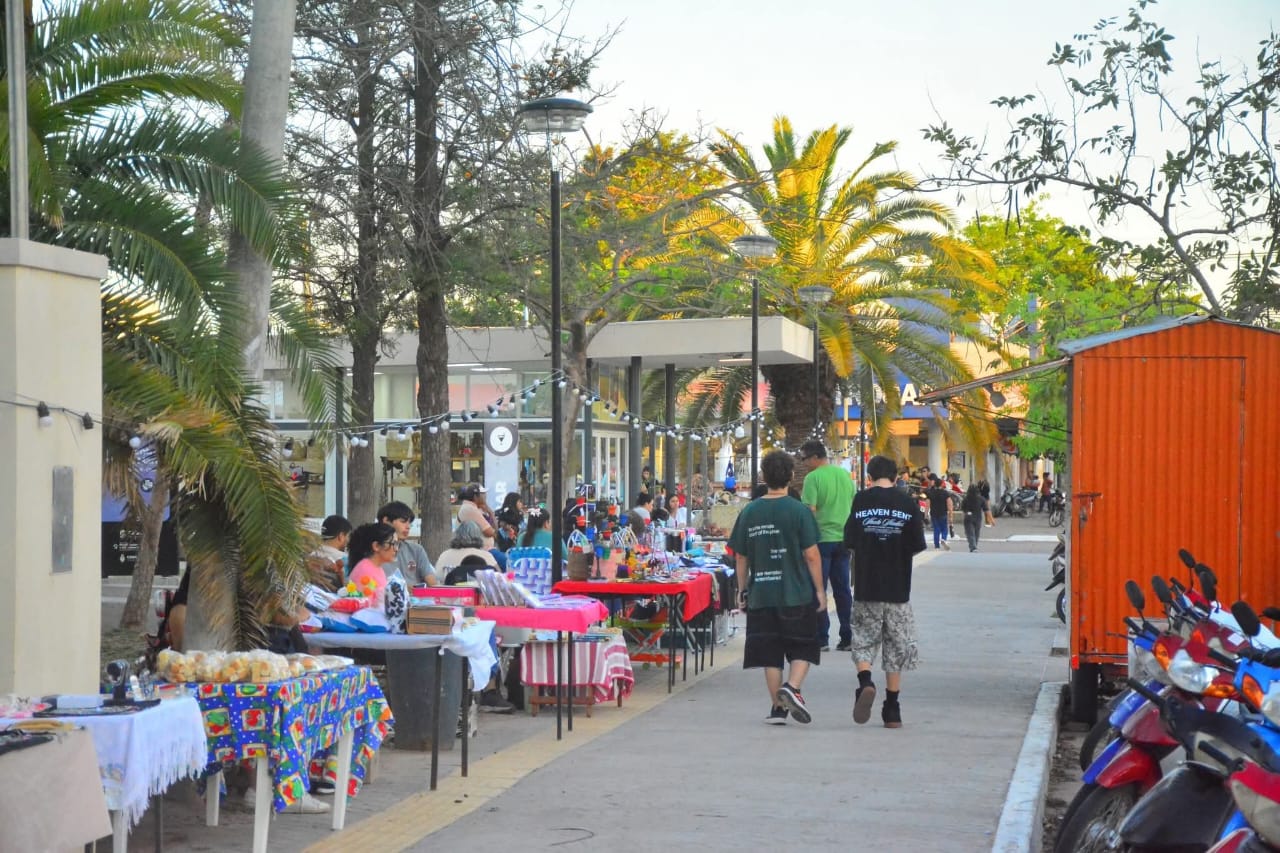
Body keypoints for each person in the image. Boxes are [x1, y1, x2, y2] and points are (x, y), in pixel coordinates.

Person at [728, 449, 824, 726]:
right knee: (803, 646)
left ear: (764, 476)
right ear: (791, 476)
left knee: (770, 654)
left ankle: (778, 710)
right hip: (796, 592)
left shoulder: (749, 511)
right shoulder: (799, 511)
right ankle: (792, 687)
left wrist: (742, 590)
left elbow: (741, 557)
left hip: (762, 594)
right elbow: (812, 555)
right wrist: (819, 590)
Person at [843, 454, 927, 729]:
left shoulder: (861, 500)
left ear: (869, 477)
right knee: (896, 646)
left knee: (863, 640)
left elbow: (850, 540)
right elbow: (917, 544)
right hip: (898, 588)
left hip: (867, 585)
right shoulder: (907, 502)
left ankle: (865, 681)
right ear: (896, 477)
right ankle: (892, 709)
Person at [799, 440, 855, 653]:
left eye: (805, 458)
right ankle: (847, 636)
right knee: (843, 590)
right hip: (844, 540)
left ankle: (821, 637)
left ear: (815, 457)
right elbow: (852, 504)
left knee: (818, 589)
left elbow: (809, 511)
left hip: (821, 541)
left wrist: (805, 541)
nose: (803, 463)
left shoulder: (813, 478)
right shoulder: (845, 475)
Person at [377, 501, 438, 586]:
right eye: (403, 521)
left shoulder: (416, 550)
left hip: (418, 594)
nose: (408, 527)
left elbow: (432, 583)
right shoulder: (374, 552)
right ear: (386, 521)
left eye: (409, 523)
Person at [346, 522, 400, 607]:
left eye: (397, 544)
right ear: (376, 546)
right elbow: (364, 607)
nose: (396, 549)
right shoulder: (364, 570)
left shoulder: (377, 568)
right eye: (393, 544)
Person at [435, 521, 500, 574]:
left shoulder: (444, 555)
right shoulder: (486, 555)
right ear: (479, 536)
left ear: (457, 534)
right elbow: (498, 577)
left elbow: (437, 577)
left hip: (448, 586)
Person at [307, 514, 351, 591]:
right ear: (341, 536)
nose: (348, 540)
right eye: (347, 536)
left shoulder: (310, 557)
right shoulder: (346, 560)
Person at [924, 474, 954, 550]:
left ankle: (936, 546)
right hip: (943, 513)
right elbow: (950, 505)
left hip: (934, 514)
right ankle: (943, 538)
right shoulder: (945, 493)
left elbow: (927, 505)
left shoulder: (931, 493)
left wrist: (926, 515)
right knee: (944, 528)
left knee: (936, 529)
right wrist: (950, 515)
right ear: (941, 484)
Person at [960, 484, 988, 552]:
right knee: (976, 533)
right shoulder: (981, 499)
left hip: (968, 518)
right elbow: (986, 510)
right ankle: (974, 546)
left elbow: (963, 509)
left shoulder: (965, 499)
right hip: (978, 518)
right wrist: (988, 520)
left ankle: (973, 547)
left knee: (970, 533)